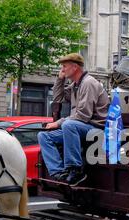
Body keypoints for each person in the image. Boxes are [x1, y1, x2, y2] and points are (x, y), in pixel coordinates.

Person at [38, 53, 109, 185]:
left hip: (97, 129)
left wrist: (58, 123)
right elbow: (58, 99)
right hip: (82, 127)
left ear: (75, 67)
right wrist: (60, 80)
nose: (62, 70)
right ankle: (58, 173)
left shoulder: (88, 83)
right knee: (43, 136)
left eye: (64, 66)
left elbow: (83, 115)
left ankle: (75, 170)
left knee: (69, 125)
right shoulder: (76, 85)